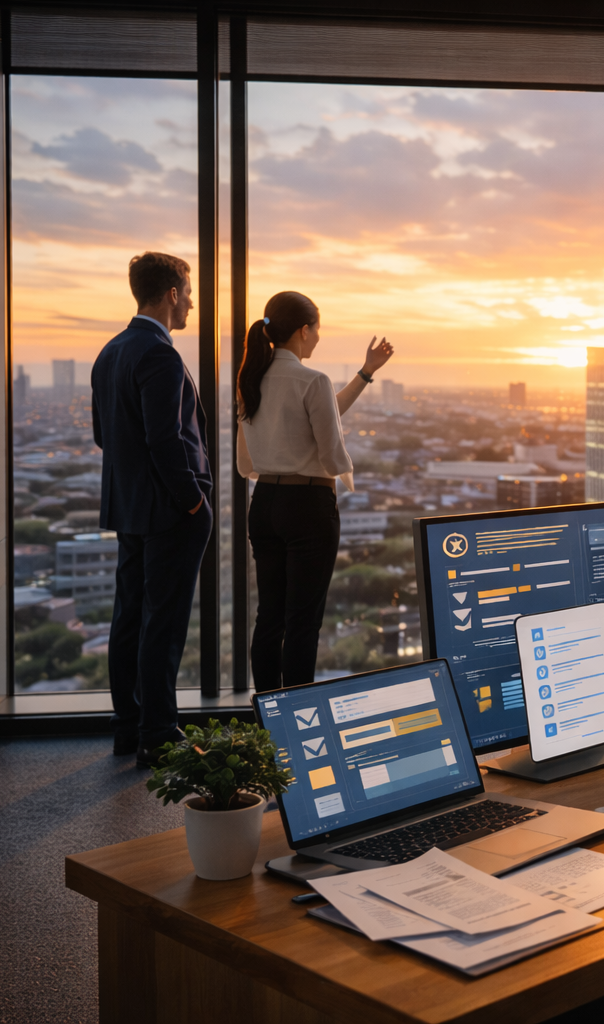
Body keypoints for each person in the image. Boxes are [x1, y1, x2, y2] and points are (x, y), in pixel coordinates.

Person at [235, 291, 393, 692]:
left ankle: (267, 715)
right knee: (303, 622)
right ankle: (299, 716)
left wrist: (365, 372)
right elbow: (331, 449)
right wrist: (344, 469)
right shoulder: (312, 380)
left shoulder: (252, 378)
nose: (319, 337)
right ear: (304, 331)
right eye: (318, 329)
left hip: (265, 502)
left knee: (270, 617)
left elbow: (248, 459)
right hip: (308, 506)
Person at [92, 252, 212, 767]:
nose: (190, 303)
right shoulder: (159, 354)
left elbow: (105, 436)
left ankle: (129, 725)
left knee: (130, 618)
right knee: (163, 624)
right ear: (171, 293)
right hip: (169, 511)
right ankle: (160, 735)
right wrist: (192, 501)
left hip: (130, 507)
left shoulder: (111, 351)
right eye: (188, 292)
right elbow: (167, 440)